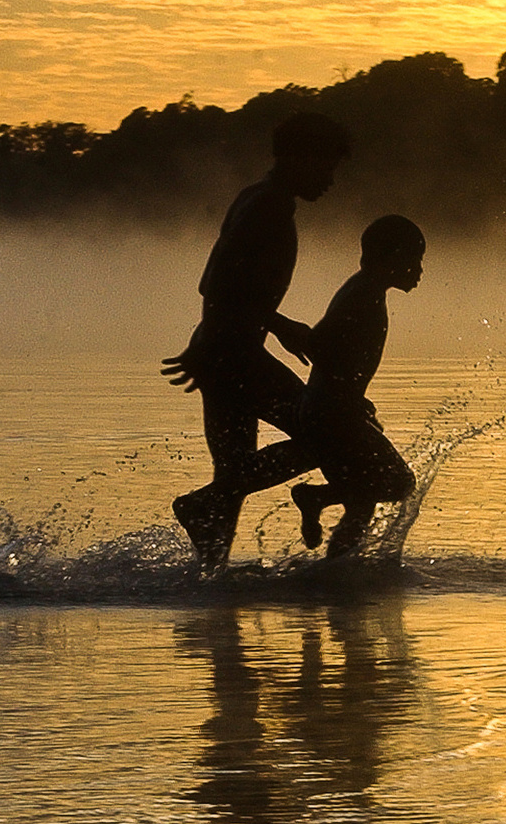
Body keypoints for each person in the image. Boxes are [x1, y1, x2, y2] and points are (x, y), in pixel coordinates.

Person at [162, 112, 351, 573]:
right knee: (325, 435)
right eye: (325, 167)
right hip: (235, 357)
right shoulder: (266, 205)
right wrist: (277, 325)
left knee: (234, 467)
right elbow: (219, 282)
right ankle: (203, 505)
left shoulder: (260, 199)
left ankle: (212, 591)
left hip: (224, 349)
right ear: (298, 158)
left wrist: (213, 337)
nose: (330, 179)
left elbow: (219, 283)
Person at [290, 215, 423, 558]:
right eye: (414, 260)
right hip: (331, 412)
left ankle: (336, 580)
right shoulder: (363, 294)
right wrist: (344, 398)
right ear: (390, 258)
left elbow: (341, 354)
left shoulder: (366, 290)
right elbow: (320, 343)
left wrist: (355, 398)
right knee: (399, 483)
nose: (420, 270)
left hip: (334, 408)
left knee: (361, 501)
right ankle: (316, 497)